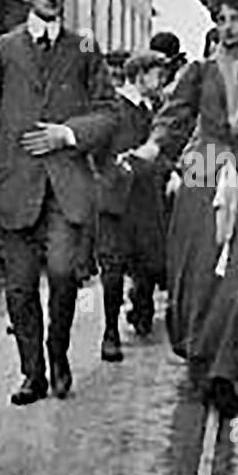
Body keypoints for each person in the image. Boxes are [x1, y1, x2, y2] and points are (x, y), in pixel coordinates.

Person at [0, 0, 117, 405]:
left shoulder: (83, 47)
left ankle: (58, 354)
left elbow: (109, 113)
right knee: (21, 287)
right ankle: (32, 372)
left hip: (65, 187)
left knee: (64, 274)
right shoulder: (1, 50)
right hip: (14, 185)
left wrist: (68, 134)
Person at [129, 0, 238, 418]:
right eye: (221, 19)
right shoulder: (198, 73)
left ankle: (224, 375)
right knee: (199, 271)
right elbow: (172, 119)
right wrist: (151, 149)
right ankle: (200, 357)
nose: (227, 27)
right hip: (203, 172)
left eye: (237, 19)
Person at [92, 50, 170, 360]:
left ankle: (141, 308)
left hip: (146, 200)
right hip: (117, 202)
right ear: (139, 76)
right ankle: (110, 334)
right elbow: (106, 156)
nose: (161, 81)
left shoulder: (152, 110)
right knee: (112, 269)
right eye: (156, 75)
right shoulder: (114, 110)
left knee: (148, 261)